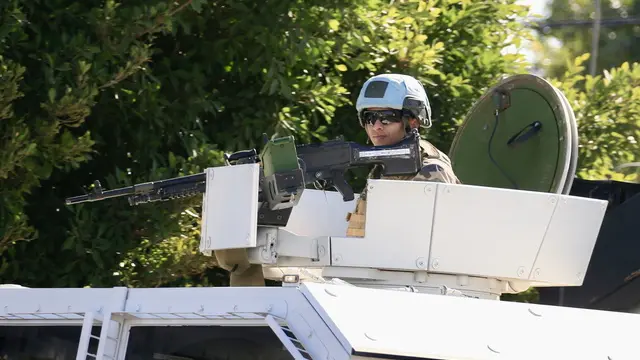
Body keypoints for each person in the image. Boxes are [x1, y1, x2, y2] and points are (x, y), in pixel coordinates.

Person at [346, 73, 461, 237]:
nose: (376, 126)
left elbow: (424, 245)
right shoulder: (384, 167)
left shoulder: (431, 171)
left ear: (413, 121)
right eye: (369, 118)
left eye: (386, 118)